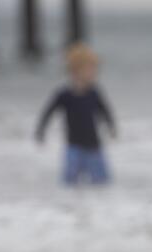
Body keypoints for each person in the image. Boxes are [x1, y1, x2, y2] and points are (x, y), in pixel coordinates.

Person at [35, 44, 117, 186]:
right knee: (69, 183)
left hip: (94, 146)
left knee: (102, 182)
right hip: (73, 147)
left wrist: (111, 127)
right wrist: (41, 130)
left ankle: (101, 204)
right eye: (90, 69)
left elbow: (105, 111)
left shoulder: (94, 93)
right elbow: (48, 112)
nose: (94, 73)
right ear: (74, 71)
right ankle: (71, 205)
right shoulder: (64, 95)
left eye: (95, 69)